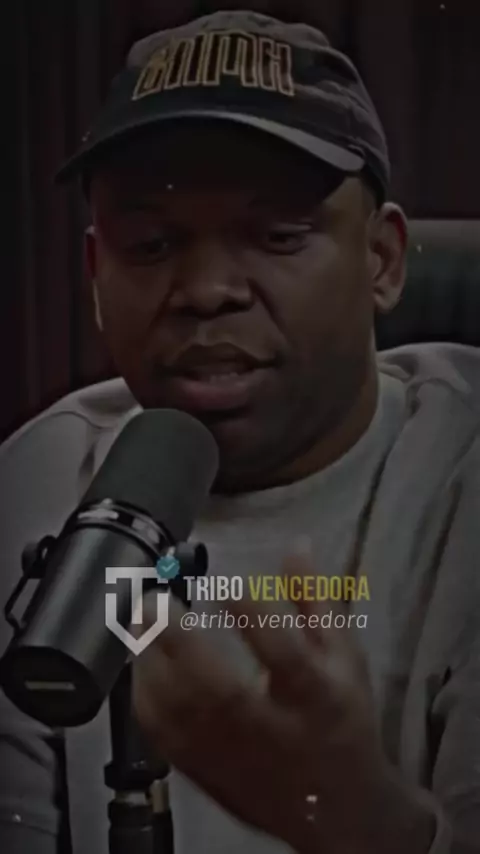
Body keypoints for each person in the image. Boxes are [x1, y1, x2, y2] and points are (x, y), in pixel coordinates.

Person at [0, 8, 479, 854]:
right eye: (152, 245)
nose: (207, 289)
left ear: (382, 260)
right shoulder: (37, 476)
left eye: (277, 236)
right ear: (96, 278)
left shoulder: (464, 470)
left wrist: (369, 823)